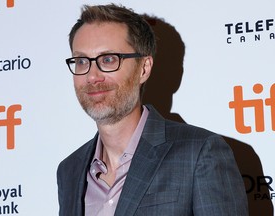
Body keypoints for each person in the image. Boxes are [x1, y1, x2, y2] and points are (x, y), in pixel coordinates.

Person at [57, 4, 248, 216]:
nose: (92, 76)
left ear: (144, 68)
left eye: (108, 59)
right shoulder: (70, 170)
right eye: (82, 61)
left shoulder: (199, 154)